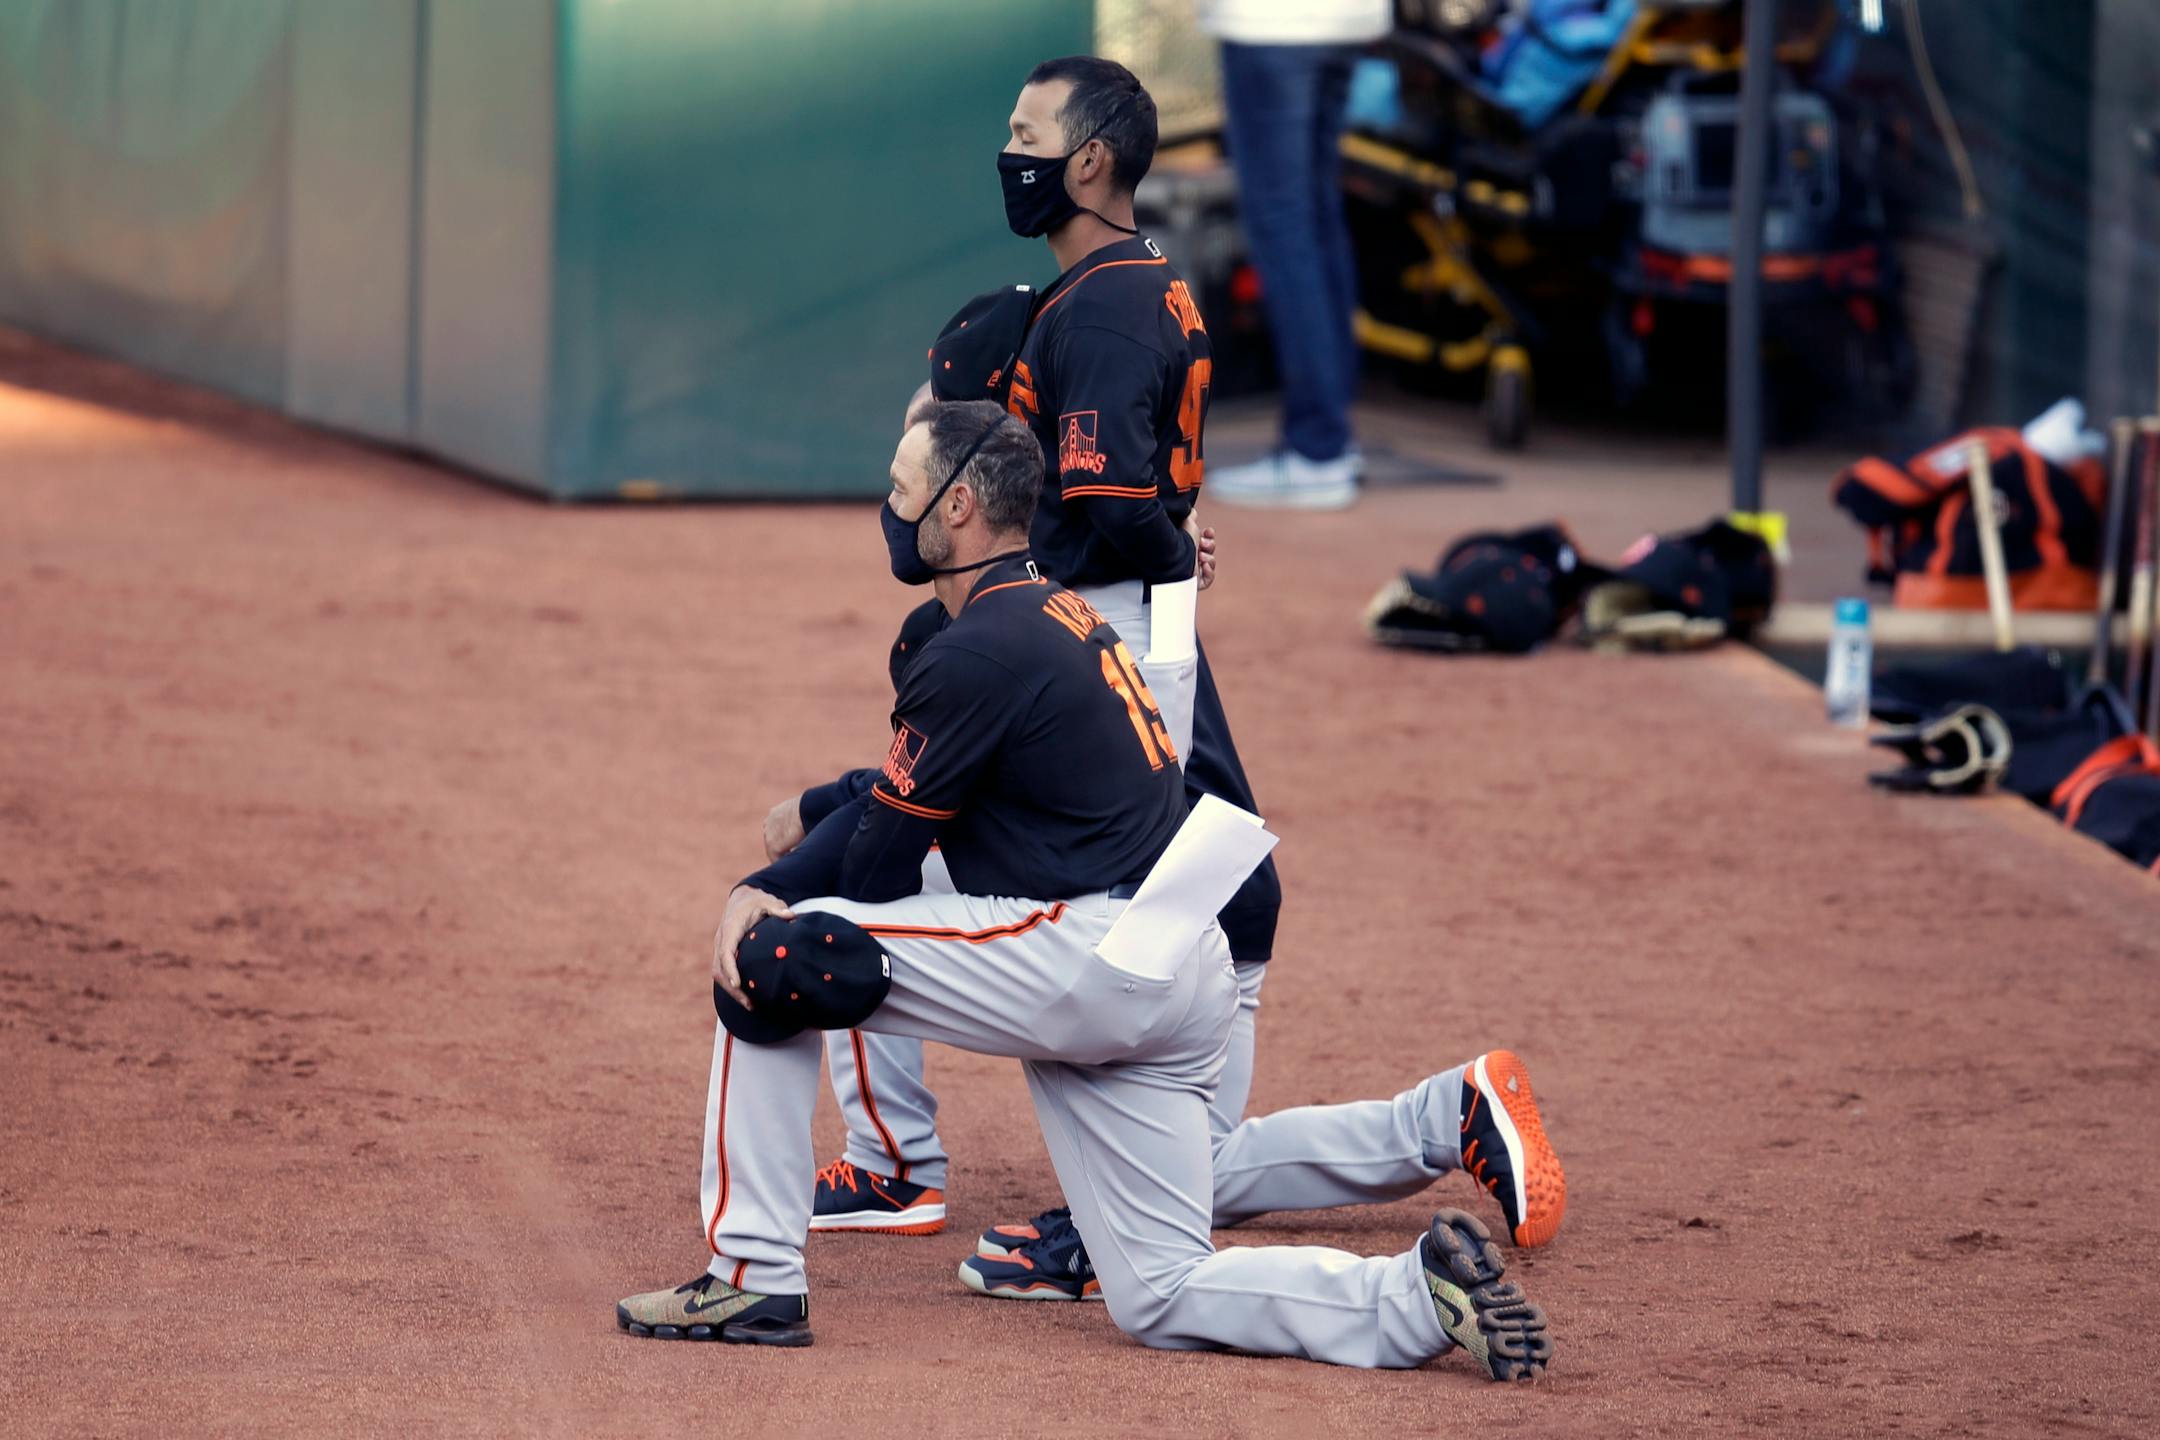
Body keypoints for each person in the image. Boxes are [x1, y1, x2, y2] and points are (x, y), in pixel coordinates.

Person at [789, 58, 1567, 1300]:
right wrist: (1169, 541)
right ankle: (1431, 1120)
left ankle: (913, 1170)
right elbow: (1124, 488)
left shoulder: (1086, 332)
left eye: (1027, 131)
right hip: (1131, 614)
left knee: (1100, 905)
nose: (1012, 151)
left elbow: (1102, 493)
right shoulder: (1131, 288)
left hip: (1108, 617)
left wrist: (1158, 545)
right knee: (1189, 919)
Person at [615, 402, 1553, 1380]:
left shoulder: (973, 649)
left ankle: (752, 1275)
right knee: (1161, 1289)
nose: (889, 510)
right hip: (1173, 969)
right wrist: (846, 812)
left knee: (778, 952)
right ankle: (1414, 1298)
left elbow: (876, 874)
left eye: (901, 490)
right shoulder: (1060, 612)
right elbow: (909, 804)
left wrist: (759, 889)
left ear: (961, 505)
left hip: (1090, 961)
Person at [1197, 0, 1392, 511]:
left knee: (1285, 225)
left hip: (1272, 22)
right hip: (1345, 19)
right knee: (1315, 216)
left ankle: (1317, 448)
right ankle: (1331, 439)